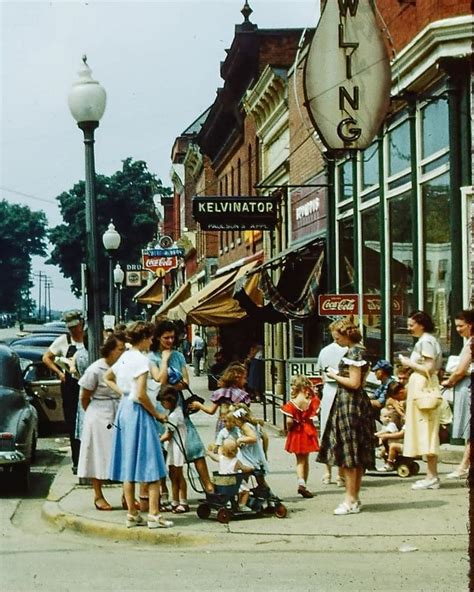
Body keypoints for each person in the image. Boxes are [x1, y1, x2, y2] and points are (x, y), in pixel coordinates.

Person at [105, 321, 173, 529]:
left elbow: (108, 377)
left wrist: (124, 393)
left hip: (124, 410)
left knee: (129, 463)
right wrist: (158, 414)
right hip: (139, 412)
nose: (152, 341)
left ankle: (132, 514)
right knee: (151, 461)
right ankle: (154, 514)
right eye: (150, 338)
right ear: (143, 338)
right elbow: (142, 394)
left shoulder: (125, 357)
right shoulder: (142, 360)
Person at [317, 318, 374, 515]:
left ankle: (350, 500)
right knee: (355, 453)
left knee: (349, 453)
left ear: (347, 336)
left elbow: (354, 383)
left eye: (338, 338)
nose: (336, 341)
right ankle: (354, 498)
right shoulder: (360, 350)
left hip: (350, 403)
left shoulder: (353, 352)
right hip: (355, 403)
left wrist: (334, 375)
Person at [149, 320, 214, 493]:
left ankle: (208, 486)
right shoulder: (152, 357)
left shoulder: (178, 356)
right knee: (163, 452)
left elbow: (185, 382)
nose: (170, 341)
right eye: (166, 338)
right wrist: (164, 360)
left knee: (195, 446)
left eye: (172, 337)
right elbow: (160, 381)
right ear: (157, 338)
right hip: (160, 409)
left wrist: (175, 385)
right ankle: (165, 490)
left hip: (178, 408)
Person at [76, 335, 126, 510]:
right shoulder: (95, 369)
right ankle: (98, 495)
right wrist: (94, 415)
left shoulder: (123, 366)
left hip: (120, 411)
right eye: (120, 349)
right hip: (100, 413)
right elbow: (84, 397)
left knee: (124, 452)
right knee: (98, 453)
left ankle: (126, 495)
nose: (123, 352)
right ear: (110, 350)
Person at [399, 310, 443, 490]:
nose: (409, 328)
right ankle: (431, 475)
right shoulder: (427, 340)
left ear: (421, 325)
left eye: (412, 325)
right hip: (422, 386)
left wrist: (408, 363)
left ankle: (432, 476)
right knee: (425, 430)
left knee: (426, 430)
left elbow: (429, 368)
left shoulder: (426, 341)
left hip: (424, 387)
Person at [43, 309, 85, 474]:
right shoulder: (63, 340)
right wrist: (59, 373)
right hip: (71, 386)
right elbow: (46, 357)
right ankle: (77, 460)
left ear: (81, 324)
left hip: (86, 383)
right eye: (70, 328)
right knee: (73, 423)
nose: (74, 330)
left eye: (75, 326)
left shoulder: (89, 339)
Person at [441, 309, 473, 479]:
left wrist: (449, 381)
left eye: (461, 326)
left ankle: (464, 466)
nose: (458, 329)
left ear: (471, 325)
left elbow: (461, 369)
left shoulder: (471, 343)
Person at [280, 375, 319, 498]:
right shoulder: (310, 401)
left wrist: (289, 429)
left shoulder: (292, 403)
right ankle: (304, 485)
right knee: (305, 459)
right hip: (307, 431)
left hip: (297, 433)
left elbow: (289, 421)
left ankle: (301, 483)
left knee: (299, 461)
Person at [190, 362, 251, 436]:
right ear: (238, 379)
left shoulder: (221, 393)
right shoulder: (242, 395)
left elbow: (211, 411)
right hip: (238, 425)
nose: (246, 381)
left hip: (223, 424)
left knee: (221, 441)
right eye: (244, 378)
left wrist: (199, 405)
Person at [317, 338, 347, 486]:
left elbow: (321, 372)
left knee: (326, 431)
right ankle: (340, 475)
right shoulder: (349, 350)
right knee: (342, 433)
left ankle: (327, 473)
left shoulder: (324, 351)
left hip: (329, 390)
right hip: (344, 390)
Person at [159, 386, 189, 513]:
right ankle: (175, 501)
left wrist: (157, 440)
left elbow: (168, 435)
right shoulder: (173, 412)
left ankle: (183, 501)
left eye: (163, 401)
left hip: (178, 446)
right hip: (172, 446)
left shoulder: (175, 415)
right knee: (172, 474)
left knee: (178, 474)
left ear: (170, 400)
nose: (162, 404)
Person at [207, 438, 253, 511]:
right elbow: (244, 468)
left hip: (221, 484)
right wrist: (251, 469)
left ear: (223, 450)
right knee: (246, 490)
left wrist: (209, 453)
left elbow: (213, 457)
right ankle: (242, 505)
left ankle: (227, 502)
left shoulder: (220, 458)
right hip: (233, 484)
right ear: (236, 451)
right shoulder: (236, 461)